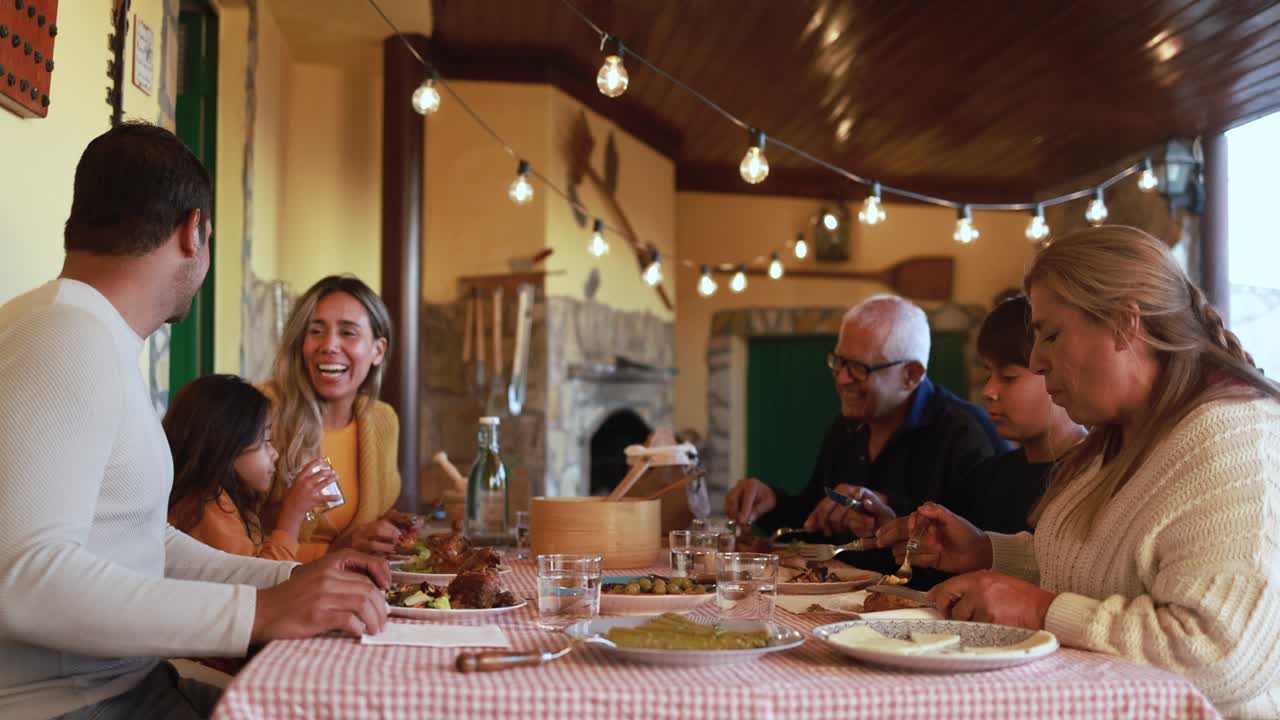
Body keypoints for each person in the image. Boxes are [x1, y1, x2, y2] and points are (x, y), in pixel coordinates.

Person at [0, 123, 389, 720]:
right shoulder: (64, 339)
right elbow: (25, 578)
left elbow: (140, 540)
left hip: (132, 686)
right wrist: (259, 613)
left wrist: (290, 579)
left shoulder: (87, 334)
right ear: (194, 230)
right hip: (81, 706)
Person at [878, 226, 1280, 718]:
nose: (1036, 360)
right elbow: (1102, 570)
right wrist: (987, 551)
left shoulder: (1233, 441)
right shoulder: (1117, 436)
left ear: (1124, 324)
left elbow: (1219, 654)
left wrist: (1039, 610)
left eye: (1050, 335)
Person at [725, 294, 1007, 579]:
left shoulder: (966, 434)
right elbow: (815, 521)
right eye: (839, 361)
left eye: (860, 368)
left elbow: (985, 555)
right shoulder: (848, 425)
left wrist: (893, 517)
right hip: (844, 597)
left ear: (911, 374)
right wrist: (772, 502)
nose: (841, 378)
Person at [263, 275, 405, 562]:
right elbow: (232, 542)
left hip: (349, 581)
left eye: (348, 333)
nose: (329, 345)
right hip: (273, 583)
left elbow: (366, 521)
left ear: (377, 351)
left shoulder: (382, 420)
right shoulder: (260, 410)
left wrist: (388, 528)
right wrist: (335, 552)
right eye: (315, 331)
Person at [940, 295, 1086, 533]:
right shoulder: (988, 478)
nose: (988, 391)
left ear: (1057, 373)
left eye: (1008, 377)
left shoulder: (1094, 480)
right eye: (988, 373)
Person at [166, 375, 341, 561]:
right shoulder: (208, 505)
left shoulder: (224, 500)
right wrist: (292, 515)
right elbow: (261, 575)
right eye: (266, 440)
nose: (275, 454)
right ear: (227, 445)